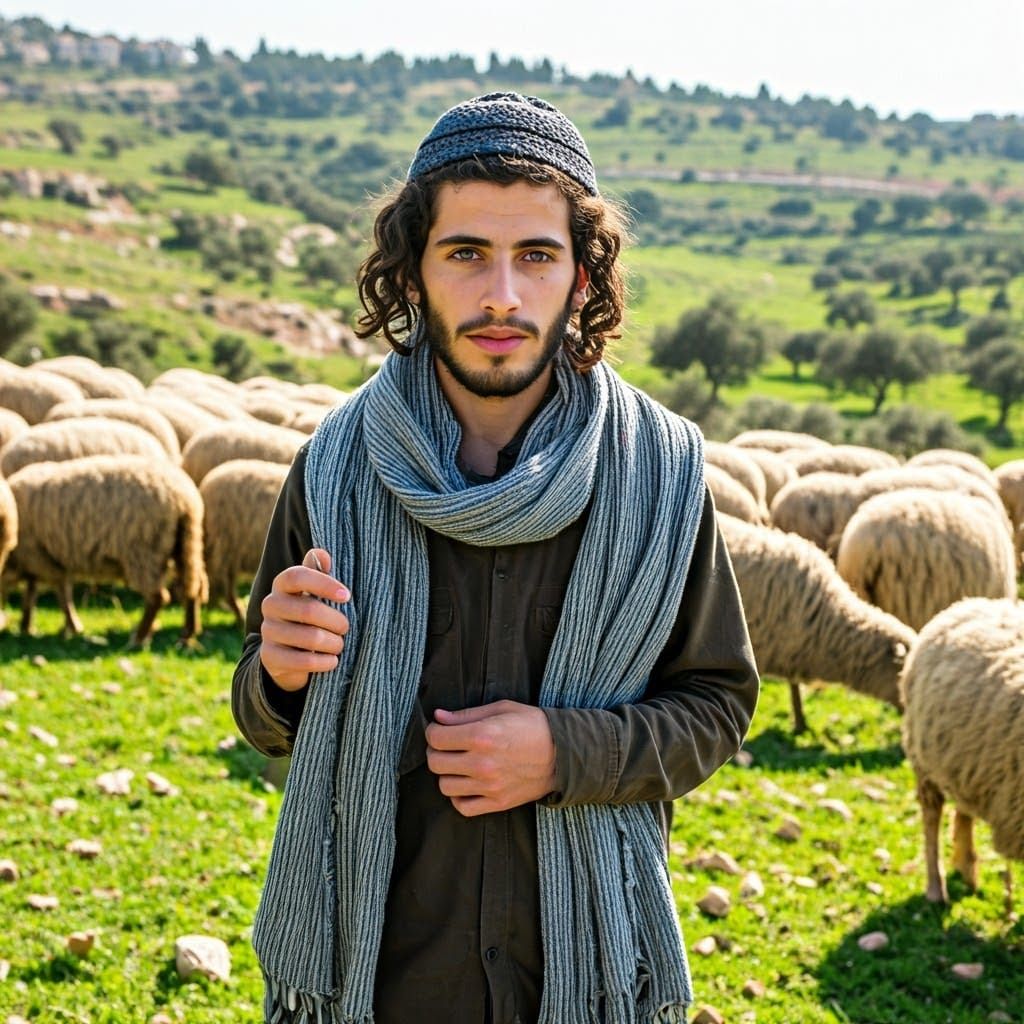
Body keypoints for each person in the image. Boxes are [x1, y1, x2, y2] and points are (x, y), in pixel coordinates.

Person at [232, 92, 759, 1024]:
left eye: (537, 257)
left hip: (582, 972)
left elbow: (716, 705)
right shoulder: (335, 467)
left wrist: (565, 752)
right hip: (379, 978)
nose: (502, 296)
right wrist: (276, 672)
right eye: (466, 253)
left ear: (583, 279)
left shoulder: (663, 471)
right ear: (413, 273)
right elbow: (263, 714)